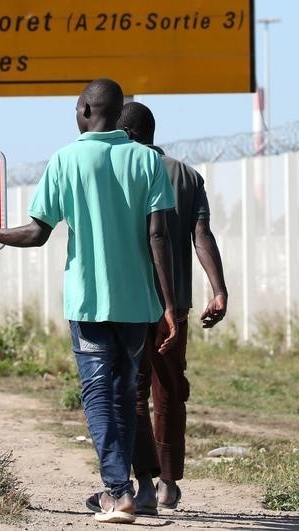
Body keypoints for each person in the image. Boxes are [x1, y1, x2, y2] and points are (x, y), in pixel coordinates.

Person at [0, 78, 178, 524]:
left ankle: (116, 492)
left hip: (89, 302)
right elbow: (159, 236)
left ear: (88, 109)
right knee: (124, 391)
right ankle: (120, 487)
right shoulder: (148, 160)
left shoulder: (66, 159)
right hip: (136, 302)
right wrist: (168, 303)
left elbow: (35, 234)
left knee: (97, 393)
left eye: (77, 109)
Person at [117, 102, 228, 514]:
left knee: (133, 392)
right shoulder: (186, 175)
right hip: (175, 305)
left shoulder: (121, 171)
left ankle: (142, 481)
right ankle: (167, 484)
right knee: (169, 394)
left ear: (123, 133)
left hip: (129, 303)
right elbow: (202, 234)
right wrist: (219, 289)